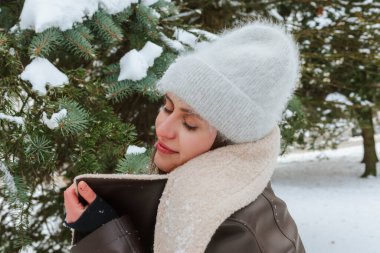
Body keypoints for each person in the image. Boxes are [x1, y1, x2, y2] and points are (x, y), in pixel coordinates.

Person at [64, 20, 306, 253]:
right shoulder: (202, 201)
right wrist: (107, 227)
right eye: (167, 107)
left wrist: (103, 235)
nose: (162, 129)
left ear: (228, 142)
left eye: (190, 124)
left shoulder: (238, 233)